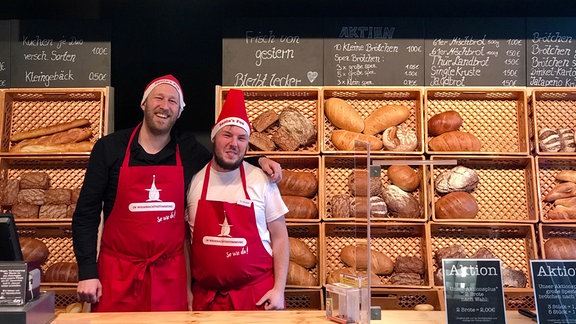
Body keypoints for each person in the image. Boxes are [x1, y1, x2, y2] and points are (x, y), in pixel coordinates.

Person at [72, 75, 281, 312]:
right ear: (144, 104)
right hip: (117, 273)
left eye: (173, 101)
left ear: (179, 112)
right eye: (158, 98)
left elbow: (222, 160)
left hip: (170, 277)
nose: (164, 106)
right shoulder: (109, 148)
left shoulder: (188, 150)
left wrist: (258, 160)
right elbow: (86, 214)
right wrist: (87, 271)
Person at [186, 89, 289, 311]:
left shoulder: (262, 180)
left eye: (242, 138)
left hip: (256, 297)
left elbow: (280, 238)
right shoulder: (194, 180)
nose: (234, 143)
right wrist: (187, 291)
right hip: (206, 300)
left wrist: (279, 290)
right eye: (227, 135)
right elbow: (185, 242)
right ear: (214, 137)